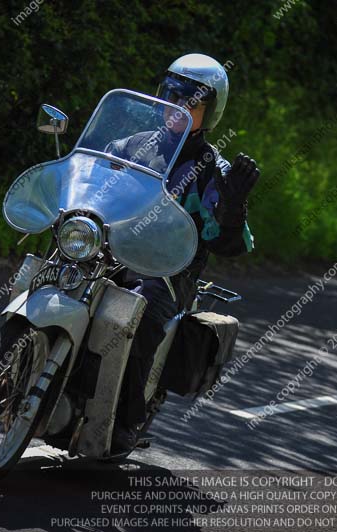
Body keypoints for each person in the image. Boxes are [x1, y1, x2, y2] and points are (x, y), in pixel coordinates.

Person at [106, 53, 260, 453]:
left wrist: (233, 208)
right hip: (110, 253)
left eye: (191, 101)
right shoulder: (129, 146)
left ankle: (127, 420)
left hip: (169, 273)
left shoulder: (213, 170)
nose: (178, 106)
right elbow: (89, 183)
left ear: (210, 112)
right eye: (173, 94)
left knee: (139, 313)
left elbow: (232, 245)